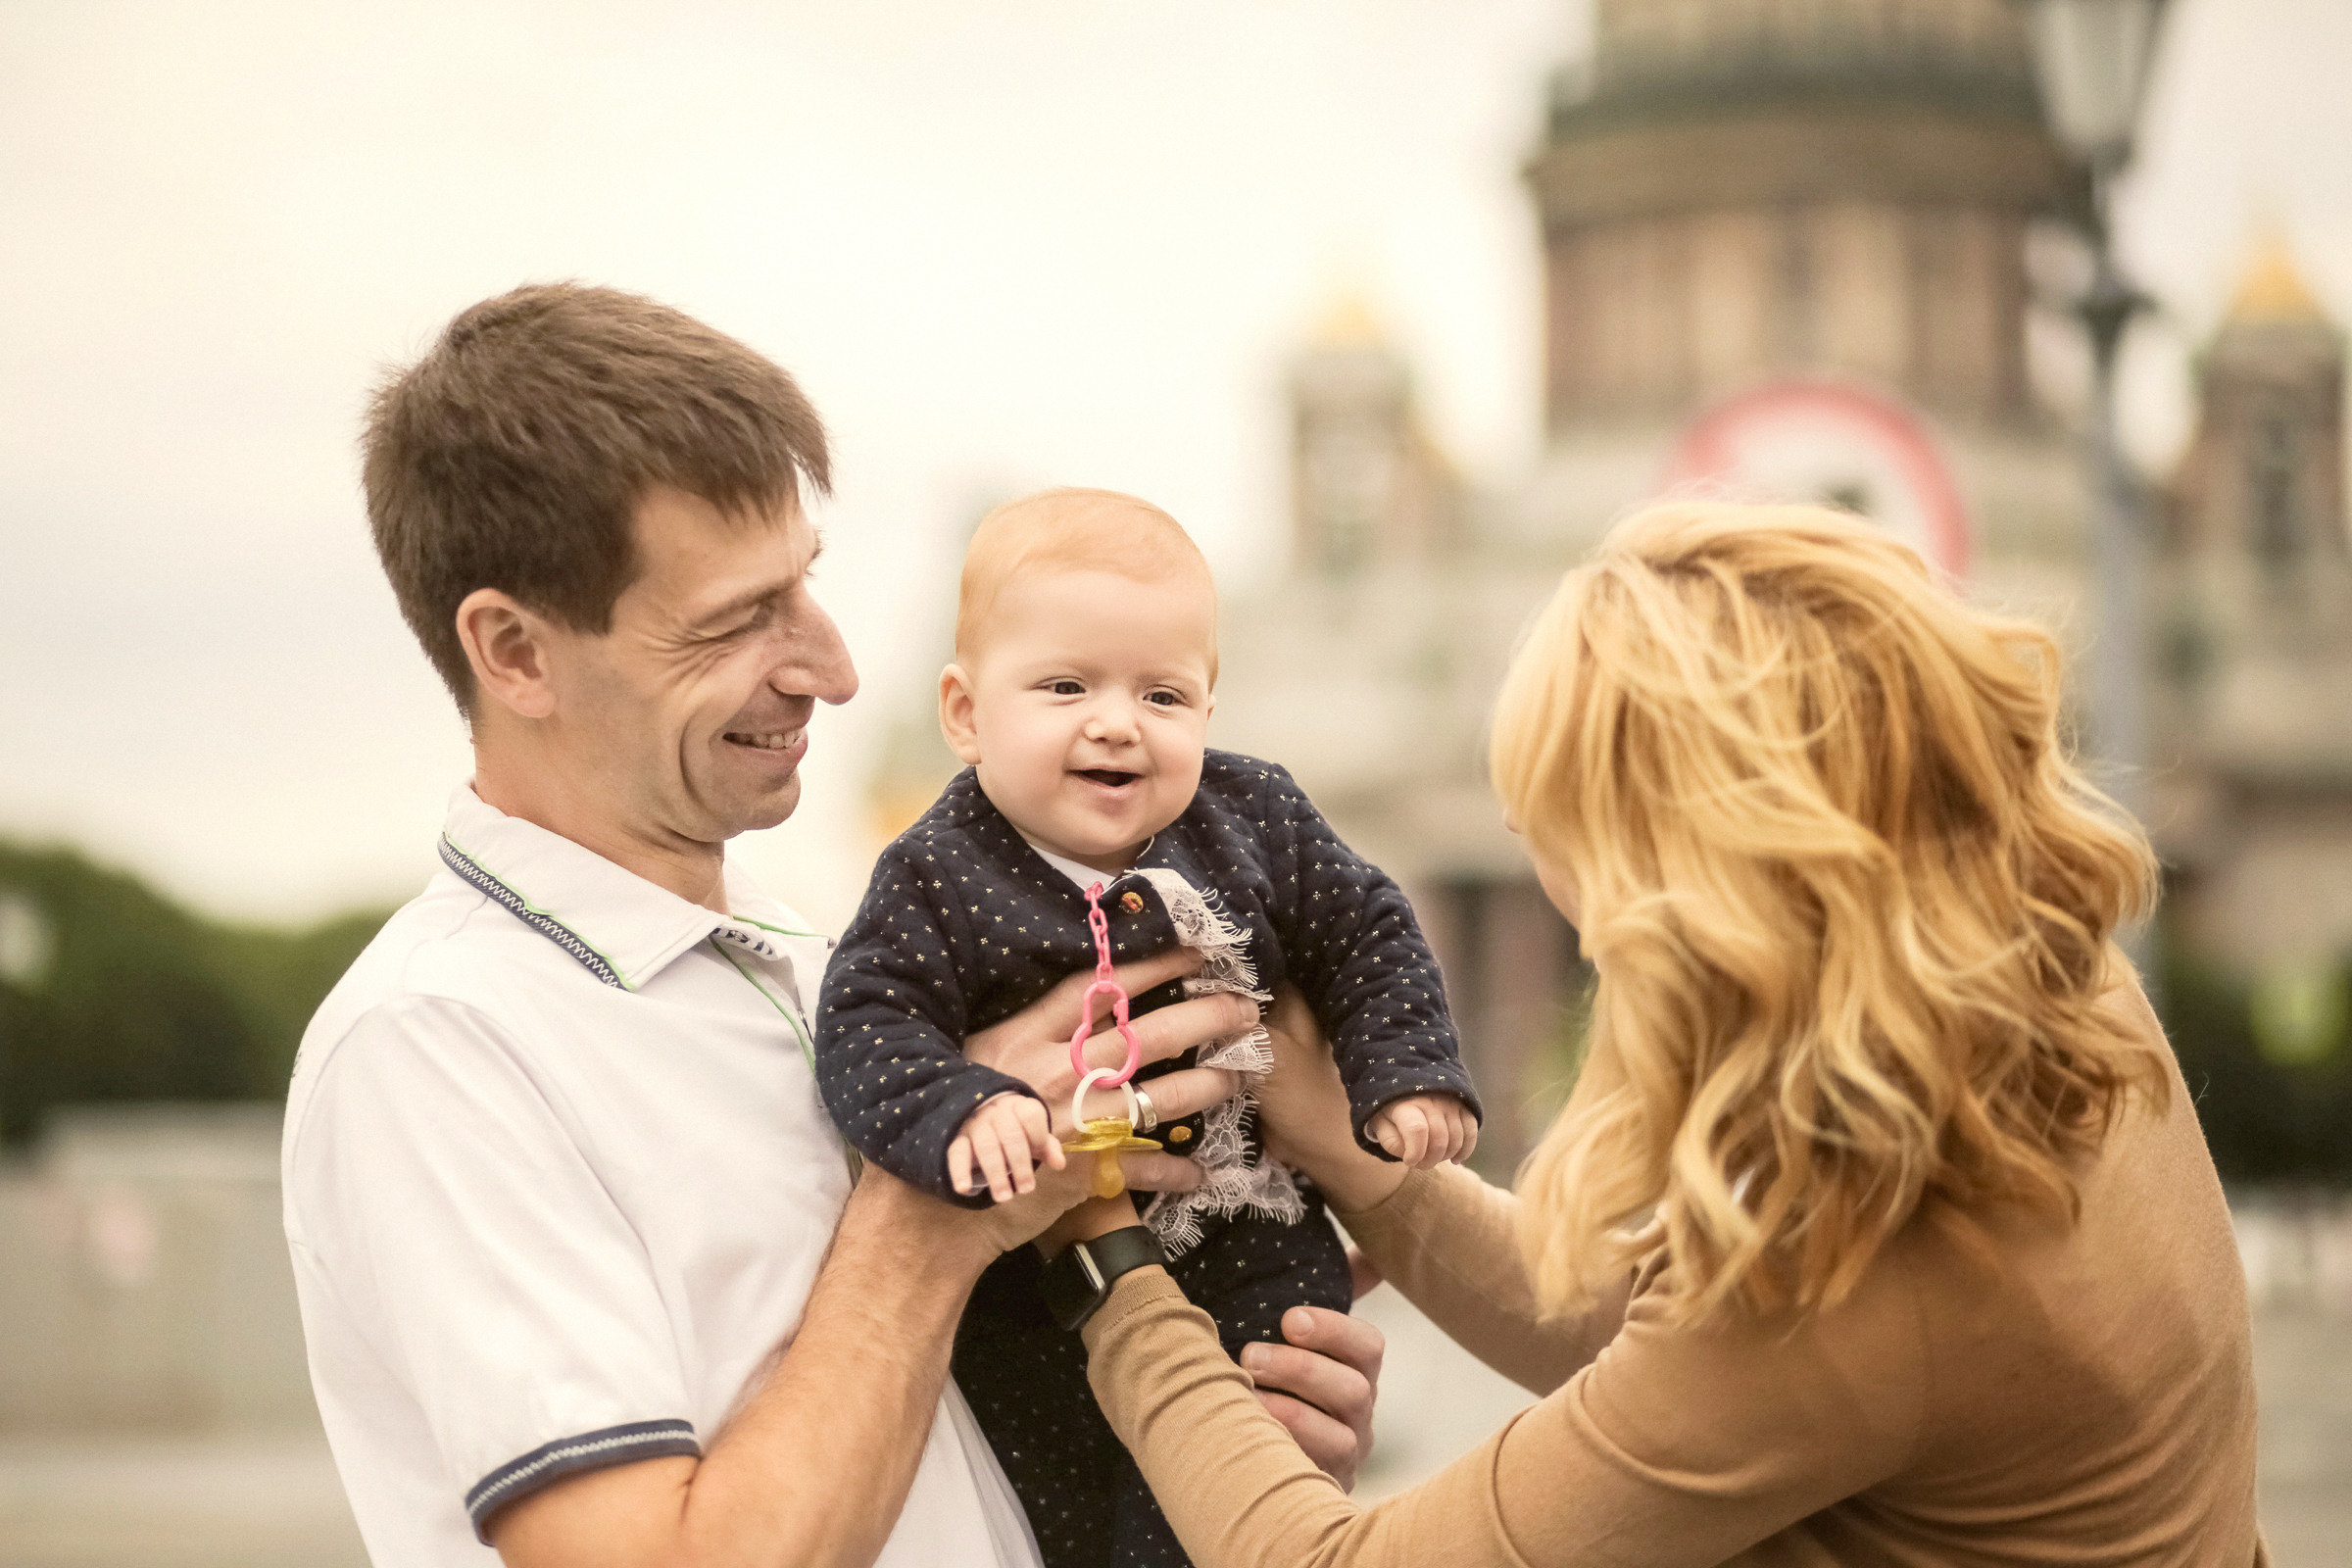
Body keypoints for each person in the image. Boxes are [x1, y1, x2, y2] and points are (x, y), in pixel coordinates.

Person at [278, 283, 1383, 1568]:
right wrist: (941, 1213)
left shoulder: (812, 970)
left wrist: (1221, 1431)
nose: (835, 669)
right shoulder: (436, 1048)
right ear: (515, 652)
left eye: (804, 585)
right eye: (737, 620)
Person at [1064, 502, 2269, 1564]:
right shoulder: (2024, 979)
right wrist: (1348, 1146)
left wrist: (1102, 1254)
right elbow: (1642, 1341)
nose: (1584, 935)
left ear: (1696, 885)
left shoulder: (1844, 1276)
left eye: (1576, 861)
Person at [815, 488, 1481, 1566]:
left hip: (1250, 1242)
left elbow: (1368, 931)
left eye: (1163, 694)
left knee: (1233, 1479)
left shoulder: (1254, 815)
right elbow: (866, 1020)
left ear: (1209, 714)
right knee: (1046, 1502)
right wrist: (963, 1105)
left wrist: (1404, 1072)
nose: (1117, 720)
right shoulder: (935, 873)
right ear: (966, 712)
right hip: (1030, 1291)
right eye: (1066, 685)